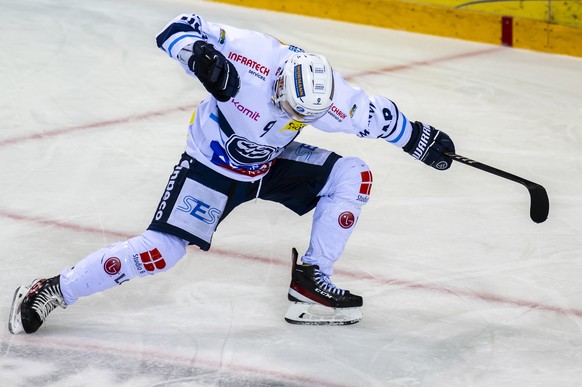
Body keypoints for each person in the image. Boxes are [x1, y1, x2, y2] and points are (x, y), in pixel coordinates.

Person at [8, 13, 455, 332]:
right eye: (286, 104)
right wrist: (197, 53)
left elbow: (379, 118)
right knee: (163, 252)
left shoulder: (332, 97)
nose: (288, 113)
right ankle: (53, 289)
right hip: (210, 168)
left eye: (300, 114)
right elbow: (176, 28)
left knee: (353, 174)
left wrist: (420, 138)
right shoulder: (251, 55)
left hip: (271, 163)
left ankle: (311, 282)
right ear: (279, 82)